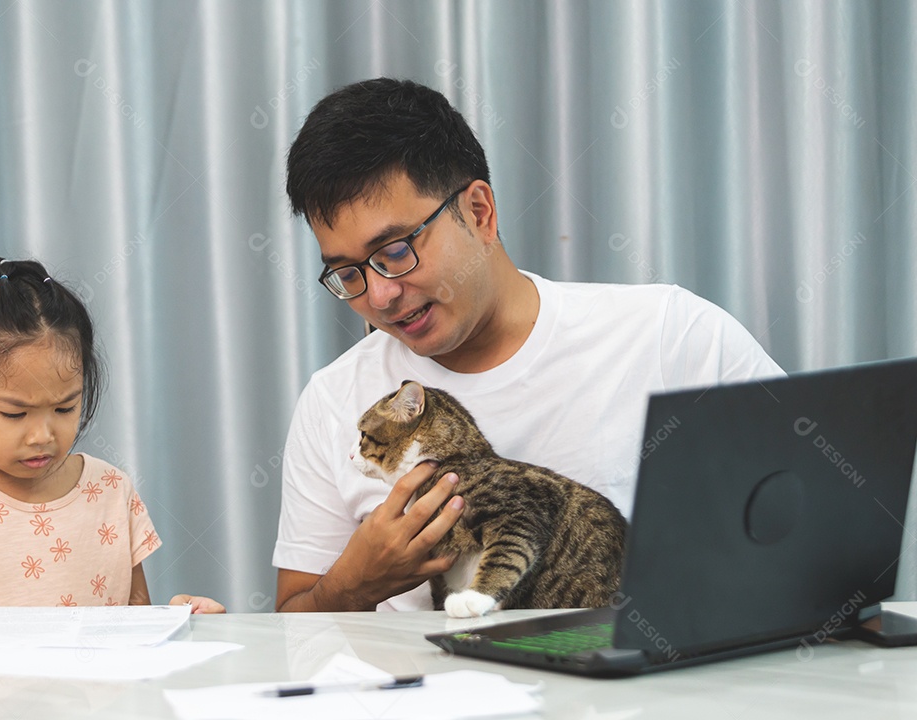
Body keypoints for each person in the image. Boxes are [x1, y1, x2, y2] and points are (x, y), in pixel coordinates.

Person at [273, 78, 784, 613]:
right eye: (347, 274)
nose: (379, 295)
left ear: (478, 212)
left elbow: (815, 525)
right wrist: (354, 585)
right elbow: (291, 634)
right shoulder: (333, 402)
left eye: (396, 251)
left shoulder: (670, 336)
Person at [0, 257, 224, 616]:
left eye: (64, 408)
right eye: (15, 414)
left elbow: (133, 630)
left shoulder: (111, 492)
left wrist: (180, 622)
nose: (42, 435)